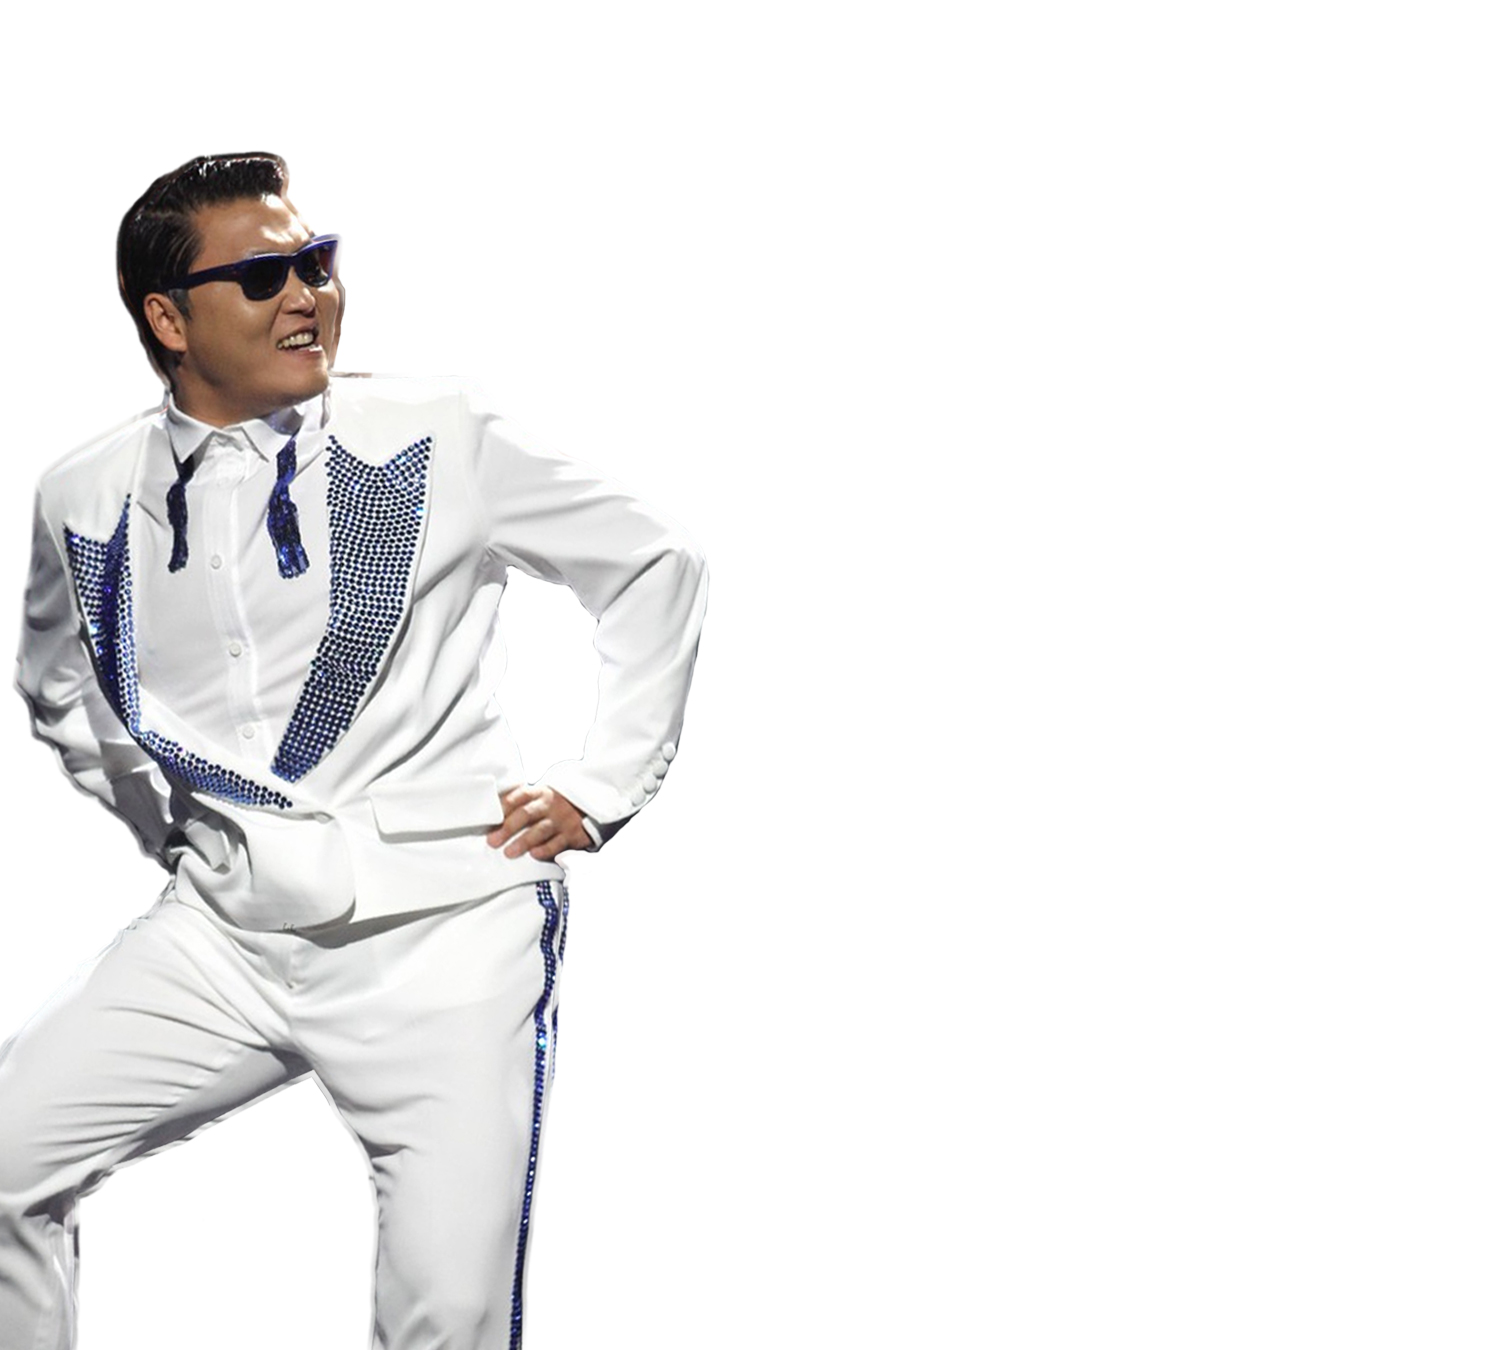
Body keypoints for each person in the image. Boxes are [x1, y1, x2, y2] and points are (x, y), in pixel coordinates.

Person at [0, 152, 707, 1349]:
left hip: (443, 929)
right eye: (263, 276)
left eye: (317, 264)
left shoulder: (436, 434)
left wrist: (600, 787)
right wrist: (159, 818)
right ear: (167, 320)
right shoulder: (85, 493)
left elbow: (653, 564)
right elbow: (57, 679)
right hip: (222, 935)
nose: (307, 296)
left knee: (447, 1317)